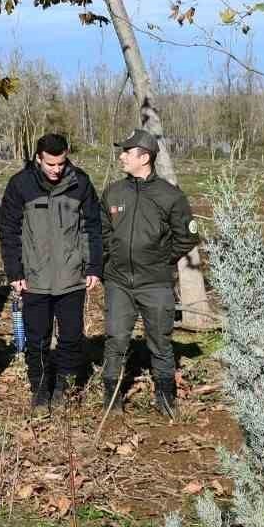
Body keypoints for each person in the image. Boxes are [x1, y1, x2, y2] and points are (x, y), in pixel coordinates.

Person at [0, 133, 103, 411]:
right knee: (37, 338)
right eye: (50, 165)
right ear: (38, 159)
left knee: (71, 336)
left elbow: (92, 226)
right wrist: (14, 271)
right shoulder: (20, 185)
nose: (57, 170)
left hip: (72, 277)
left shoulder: (80, 182)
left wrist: (94, 266)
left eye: (61, 163)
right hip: (34, 278)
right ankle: (40, 388)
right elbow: (9, 231)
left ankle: (64, 389)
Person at [101, 129, 198, 418]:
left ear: (144, 157)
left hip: (155, 283)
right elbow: (103, 230)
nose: (121, 157)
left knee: (160, 342)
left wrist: (160, 260)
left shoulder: (170, 196)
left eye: (127, 152)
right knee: (116, 339)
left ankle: (166, 400)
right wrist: (111, 257)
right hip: (118, 281)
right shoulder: (113, 192)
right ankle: (112, 400)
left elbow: (187, 236)